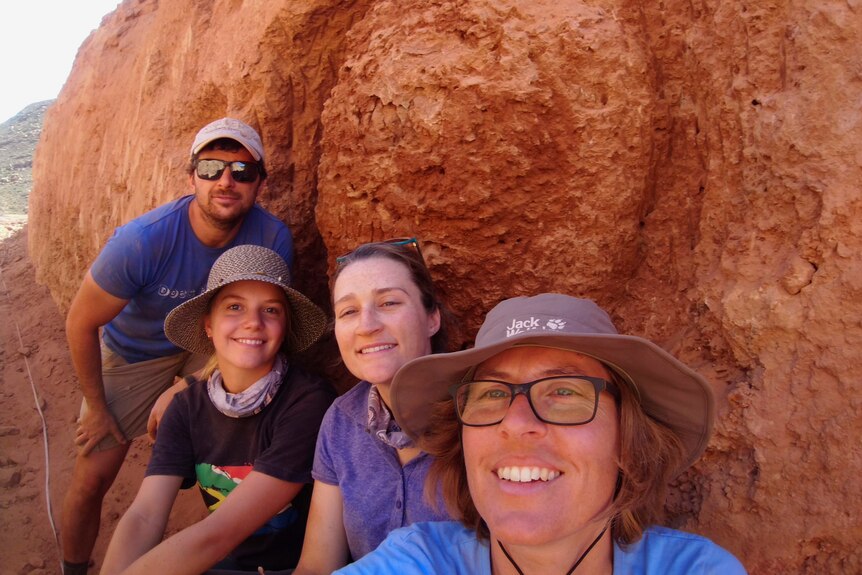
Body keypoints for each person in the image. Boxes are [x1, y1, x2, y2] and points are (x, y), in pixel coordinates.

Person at [337, 293, 748, 574]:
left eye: (565, 392)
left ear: (628, 440)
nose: (515, 424)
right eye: (492, 393)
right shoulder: (419, 560)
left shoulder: (695, 569)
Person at [61, 117, 295, 575]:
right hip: (135, 352)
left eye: (242, 171)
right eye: (211, 168)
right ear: (192, 177)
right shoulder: (142, 241)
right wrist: (96, 404)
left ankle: (235, 528)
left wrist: (185, 385)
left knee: (246, 397)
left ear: (260, 184)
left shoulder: (271, 238)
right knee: (92, 477)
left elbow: (261, 325)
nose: (226, 181)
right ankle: (73, 568)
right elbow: (80, 324)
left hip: (209, 344)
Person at [101, 245, 333, 574]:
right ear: (208, 325)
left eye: (270, 310)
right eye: (234, 307)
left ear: (285, 328)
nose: (253, 322)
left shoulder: (307, 402)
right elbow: (144, 515)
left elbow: (219, 533)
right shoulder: (185, 408)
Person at [292, 238, 455, 574]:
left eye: (389, 302)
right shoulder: (340, 421)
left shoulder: (482, 419)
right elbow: (317, 564)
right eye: (349, 311)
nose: (367, 325)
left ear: (432, 318)